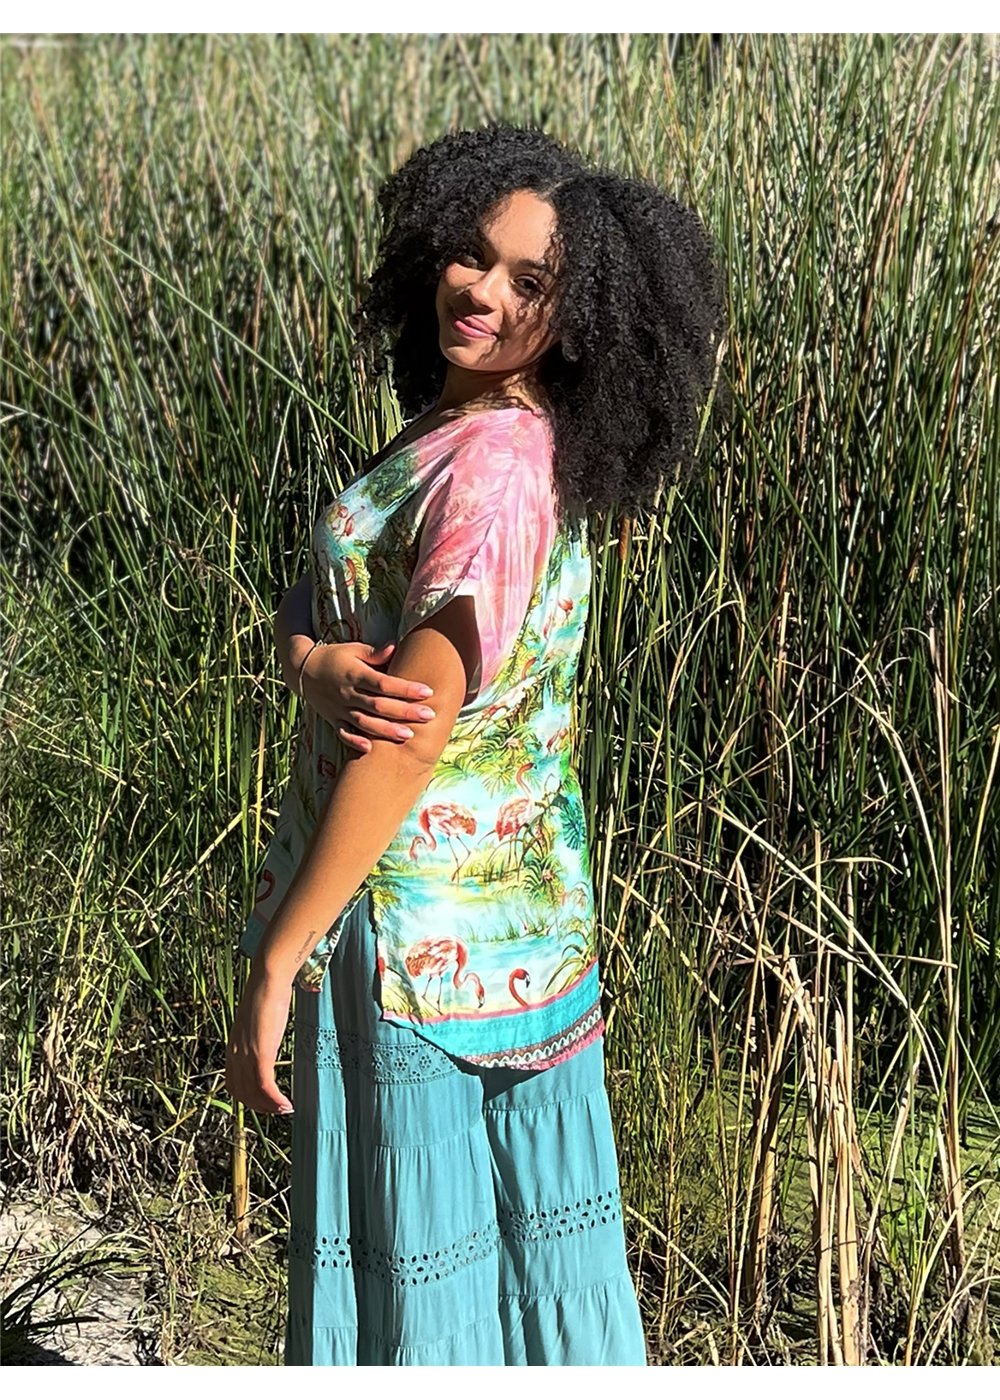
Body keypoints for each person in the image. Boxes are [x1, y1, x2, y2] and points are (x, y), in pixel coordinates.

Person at [226, 121, 727, 1366]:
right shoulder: (466, 431)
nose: (482, 290)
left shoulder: (494, 469)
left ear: (582, 317)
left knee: (430, 1292)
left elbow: (407, 739)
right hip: (516, 935)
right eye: (472, 254)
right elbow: (339, 608)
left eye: (529, 281)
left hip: (417, 942)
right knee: (510, 1276)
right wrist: (309, 660)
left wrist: (280, 954)